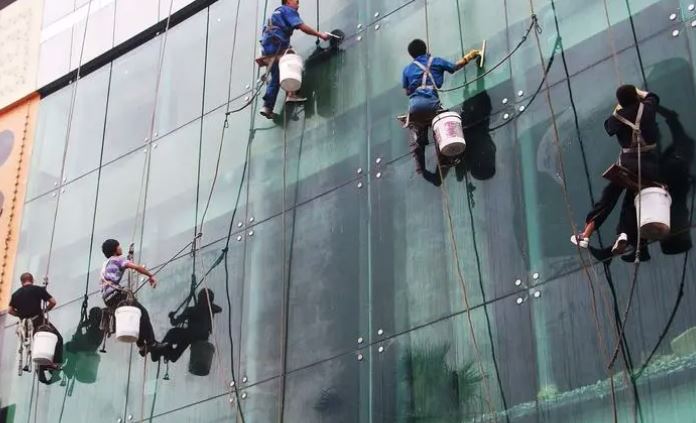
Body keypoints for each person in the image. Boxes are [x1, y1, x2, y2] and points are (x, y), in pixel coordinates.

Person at [572, 85, 662, 260]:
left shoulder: (617, 118)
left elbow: (608, 128)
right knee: (631, 200)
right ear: (636, 96)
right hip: (650, 167)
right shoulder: (648, 108)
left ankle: (586, 234)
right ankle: (624, 234)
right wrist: (639, 93)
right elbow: (653, 96)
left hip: (627, 167)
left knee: (608, 198)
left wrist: (619, 108)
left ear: (620, 101)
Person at [402, 39, 481, 183]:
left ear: (411, 55)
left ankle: (421, 168)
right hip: (431, 104)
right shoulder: (436, 61)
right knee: (443, 126)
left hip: (414, 108)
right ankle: (446, 159)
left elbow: (407, 91)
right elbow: (455, 67)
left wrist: (418, 84)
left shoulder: (407, 69)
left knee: (419, 137)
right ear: (425, 49)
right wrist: (469, 56)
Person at [259, 0, 331, 119]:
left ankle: (267, 107)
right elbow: (302, 27)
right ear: (287, 2)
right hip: (277, 42)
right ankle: (291, 94)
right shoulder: (287, 10)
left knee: (277, 76)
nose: (298, 4)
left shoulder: (275, 14)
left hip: (268, 46)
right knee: (292, 58)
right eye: (296, 2)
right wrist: (320, 35)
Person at [100, 239, 167, 359]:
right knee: (143, 313)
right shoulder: (118, 260)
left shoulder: (107, 263)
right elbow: (136, 267)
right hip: (116, 295)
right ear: (115, 249)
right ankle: (152, 344)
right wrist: (150, 275)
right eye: (119, 246)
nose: (121, 247)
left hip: (108, 299)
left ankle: (142, 347)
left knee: (137, 315)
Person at [8, 273, 63, 369]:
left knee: (39, 343)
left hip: (26, 326)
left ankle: (44, 365)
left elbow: (10, 310)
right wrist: (44, 310)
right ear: (32, 280)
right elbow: (53, 302)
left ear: (22, 282)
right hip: (38, 321)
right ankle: (55, 363)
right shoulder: (38, 289)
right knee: (57, 338)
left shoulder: (15, 295)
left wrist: (20, 315)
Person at [162, 289, 222, 363]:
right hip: (198, 337)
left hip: (191, 336)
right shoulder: (210, 310)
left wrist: (171, 317)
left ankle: (163, 349)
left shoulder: (193, 310)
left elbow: (174, 323)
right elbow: (219, 309)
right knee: (181, 342)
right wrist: (209, 305)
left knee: (172, 333)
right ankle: (169, 352)